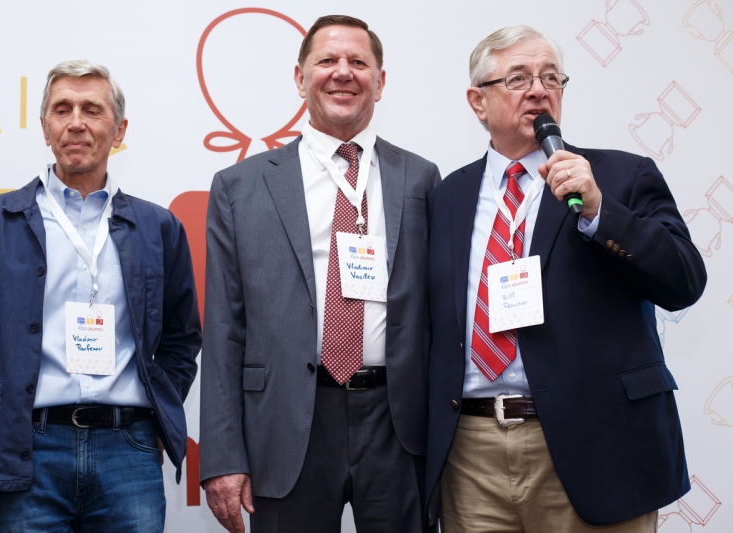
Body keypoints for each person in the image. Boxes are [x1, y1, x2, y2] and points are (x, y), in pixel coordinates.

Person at [425, 25, 707, 533]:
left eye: (551, 77)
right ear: (478, 101)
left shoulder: (620, 176)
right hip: (471, 455)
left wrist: (600, 211)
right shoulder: (446, 196)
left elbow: (683, 281)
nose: (538, 90)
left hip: (598, 443)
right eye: (518, 78)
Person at [0, 60, 202, 533]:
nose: (76, 122)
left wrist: (156, 413)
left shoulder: (158, 228)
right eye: (62, 110)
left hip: (128, 452)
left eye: (92, 110)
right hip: (24, 453)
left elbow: (182, 340)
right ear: (45, 128)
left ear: (119, 131)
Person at [200, 14, 440, 533]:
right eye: (327, 60)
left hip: (397, 424)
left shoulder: (420, 179)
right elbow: (223, 330)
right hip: (287, 423)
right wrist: (221, 455)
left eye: (358, 62)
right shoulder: (240, 187)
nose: (343, 72)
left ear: (380, 81)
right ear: (300, 76)